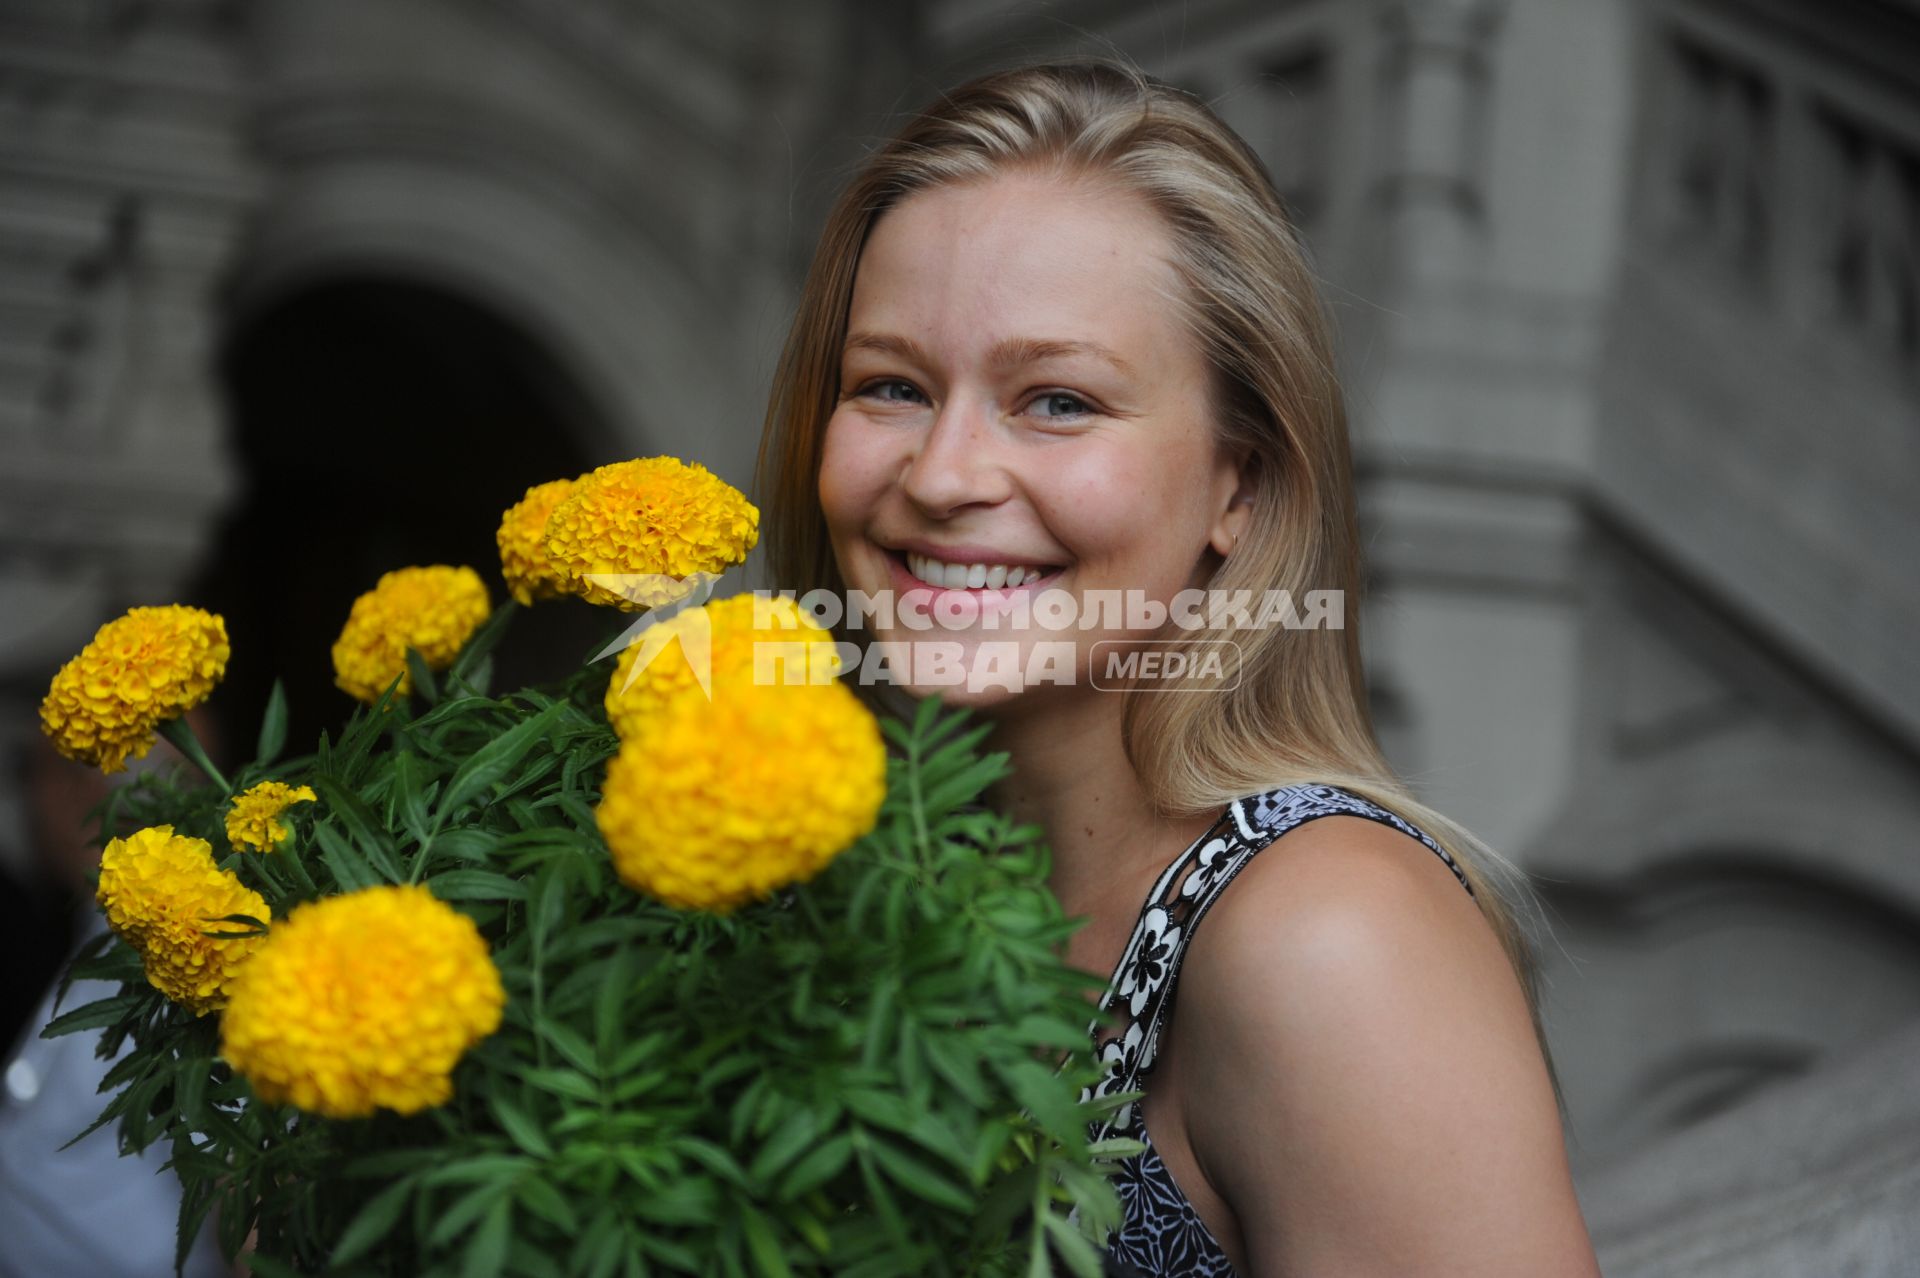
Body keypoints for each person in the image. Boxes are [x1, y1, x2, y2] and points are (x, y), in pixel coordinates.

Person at [753, 54, 1603, 1277]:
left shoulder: (1329, 939)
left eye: (1056, 402)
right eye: (891, 385)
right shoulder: (834, 883)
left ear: (1238, 488)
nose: (941, 476)